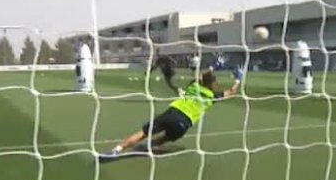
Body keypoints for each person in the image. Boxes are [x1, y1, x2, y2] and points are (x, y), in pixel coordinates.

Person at [100, 68, 244, 161]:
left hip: (172, 112)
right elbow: (231, 92)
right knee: (166, 138)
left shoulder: (193, 86)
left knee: (143, 132)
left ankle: (116, 150)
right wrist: (238, 79)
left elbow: (200, 77)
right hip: (184, 123)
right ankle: (148, 147)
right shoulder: (213, 95)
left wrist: (213, 68)